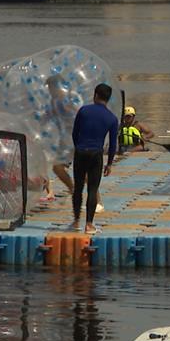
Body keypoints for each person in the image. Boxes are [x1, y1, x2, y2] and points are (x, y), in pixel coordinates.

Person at [70, 83, 118, 234]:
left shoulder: (84, 111)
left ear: (95, 95)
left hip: (81, 151)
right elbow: (112, 144)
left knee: (78, 188)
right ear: (108, 99)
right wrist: (109, 163)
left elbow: (74, 133)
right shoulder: (112, 118)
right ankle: (89, 225)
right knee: (92, 189)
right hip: (96, 154)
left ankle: (76, 221)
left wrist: (78, 148)